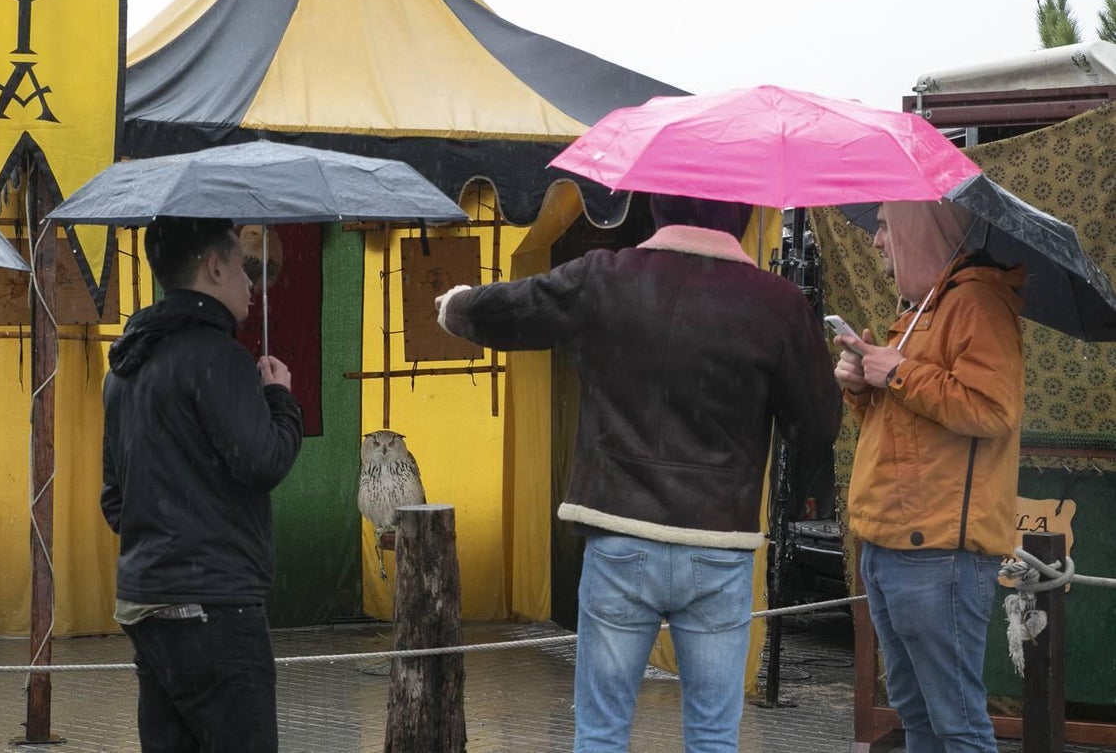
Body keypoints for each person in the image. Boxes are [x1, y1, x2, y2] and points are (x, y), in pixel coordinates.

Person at [435, 194, 841, 752]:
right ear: (742, 212)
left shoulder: (607, 277)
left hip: (619, 536)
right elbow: (815, 429)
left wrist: (455, 306)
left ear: (658, 204)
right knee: (714, 738)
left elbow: (516, 309)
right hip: (717, 544)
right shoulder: (779, 303)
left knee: (601, 734)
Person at [101, 216, 304, 753]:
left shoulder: (123, 368)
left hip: (147, 605)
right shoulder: (218, 356)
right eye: (241, 266)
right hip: (216, 608)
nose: (251, 284)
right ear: (213, 267)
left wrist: (168, 529)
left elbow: (115, 501)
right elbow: (263, 462)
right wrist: (280, 399)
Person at [833, 200, 1025, 753]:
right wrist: (862, 385)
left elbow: (993, 409)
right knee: (917, 715)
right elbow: (904, 427)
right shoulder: (924, 310)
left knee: (956, 724)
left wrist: (897, 370)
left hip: (938, 551)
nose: (877, 242)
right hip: (895, 543)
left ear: (920, 230)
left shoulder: (975, 303)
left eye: (887, 226)